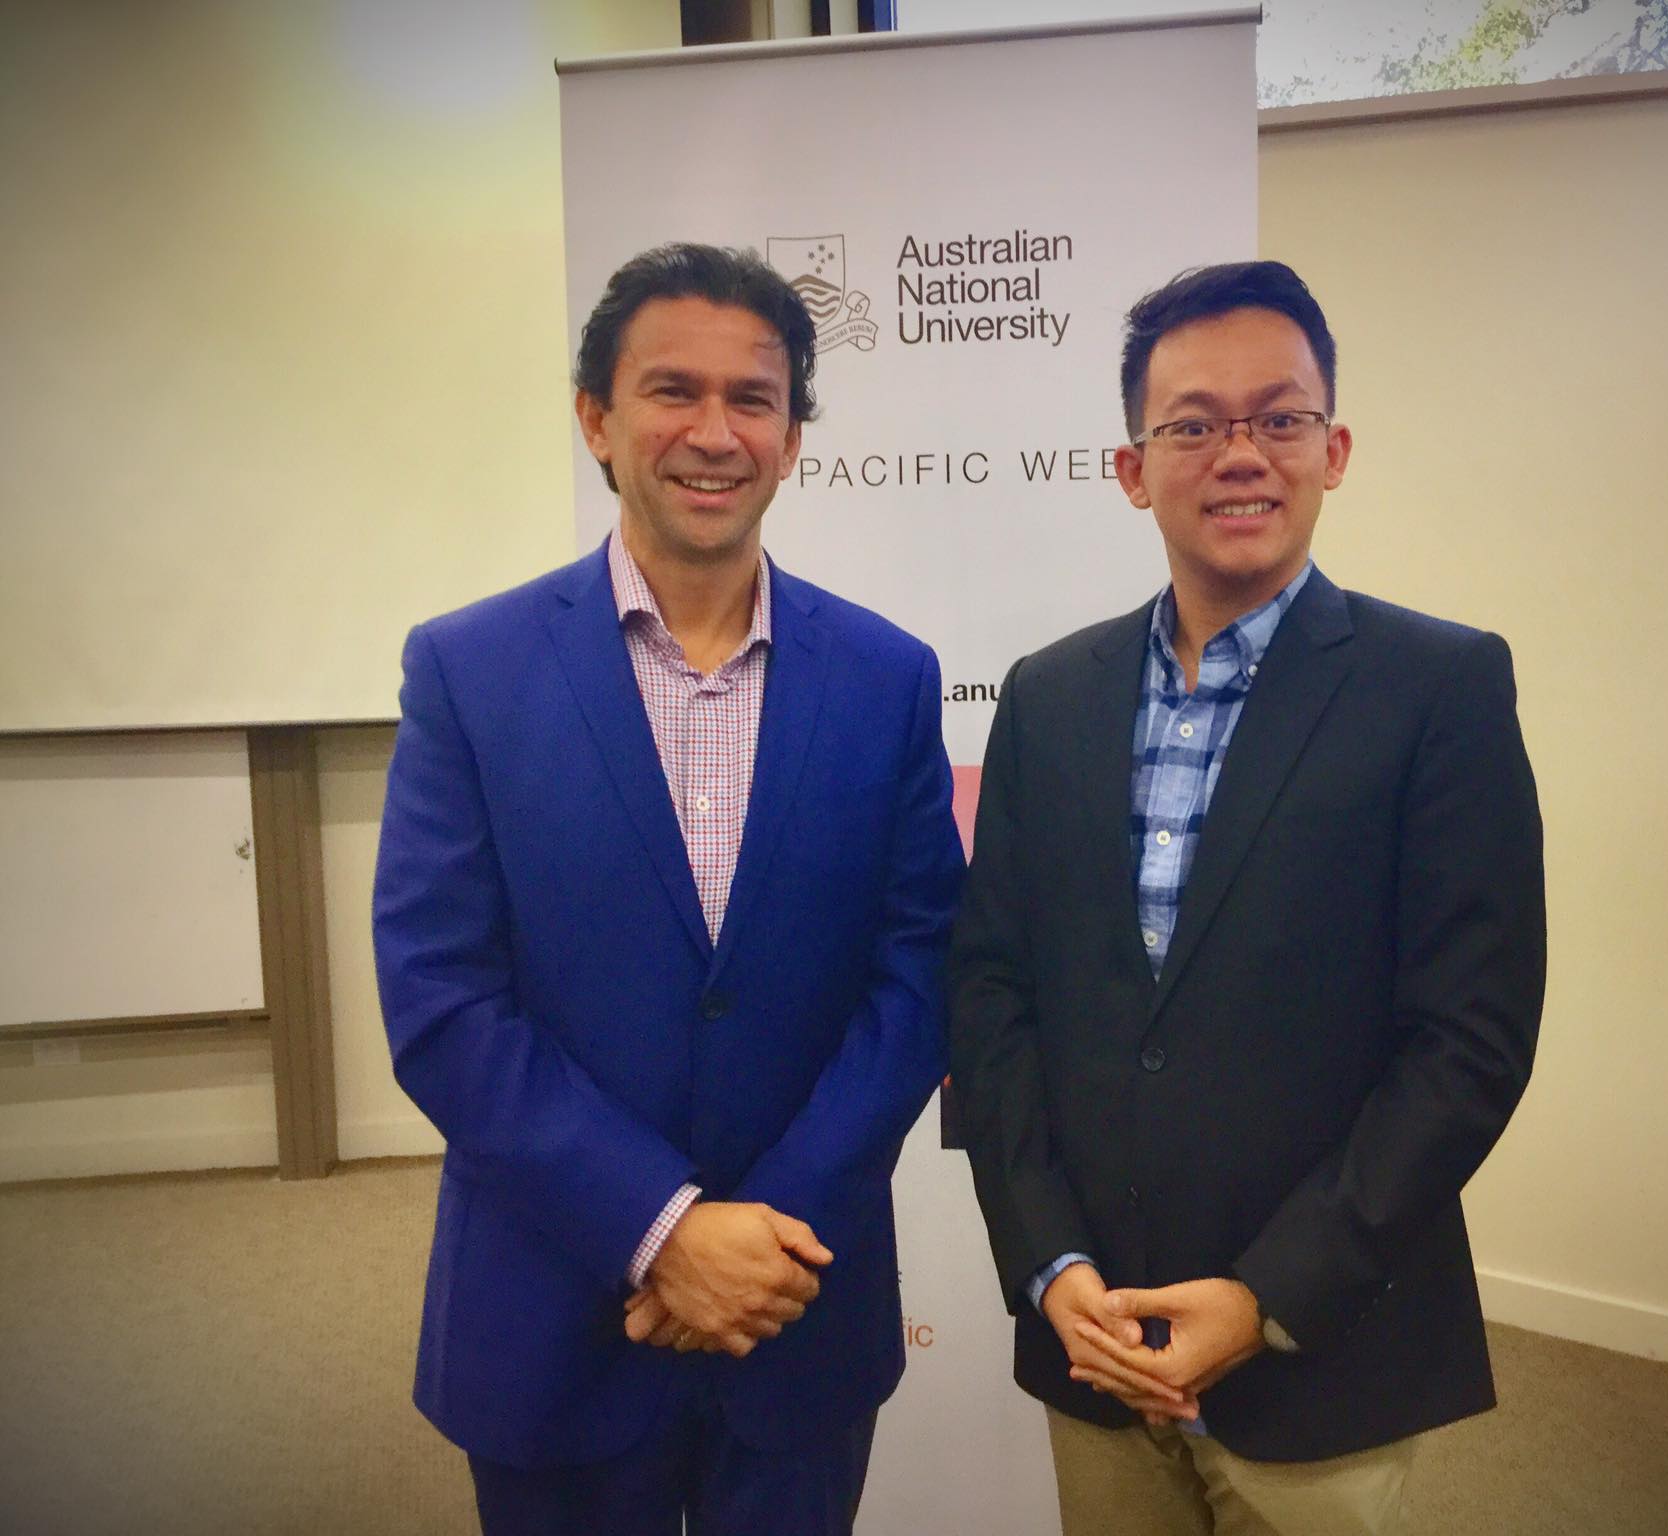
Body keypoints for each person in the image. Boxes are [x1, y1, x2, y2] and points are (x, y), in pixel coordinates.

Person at [373, 242, 963, 1536]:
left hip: (796, 1310)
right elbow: (442, 1002)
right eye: (671, 391)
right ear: (596, 418)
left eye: (752, 399)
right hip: (556, 1316)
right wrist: (663, 1230)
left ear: (792, 438)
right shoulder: (468, 672)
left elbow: (920, 974)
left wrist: (765, 1232)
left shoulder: (887, 677)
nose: (714, 432)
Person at [949, 260, 1545, 1534]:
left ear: (1333, 450)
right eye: (1193, 425)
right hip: (1093, 1337)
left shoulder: (1437, 689)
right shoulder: (1047, 697)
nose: (1239, 454)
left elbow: (1469, 1042)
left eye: (1278, 418)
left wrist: (1267, 1296)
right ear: (1131, 469)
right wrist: (1048, 1262)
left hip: (1324, 1346)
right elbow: (991, 995)